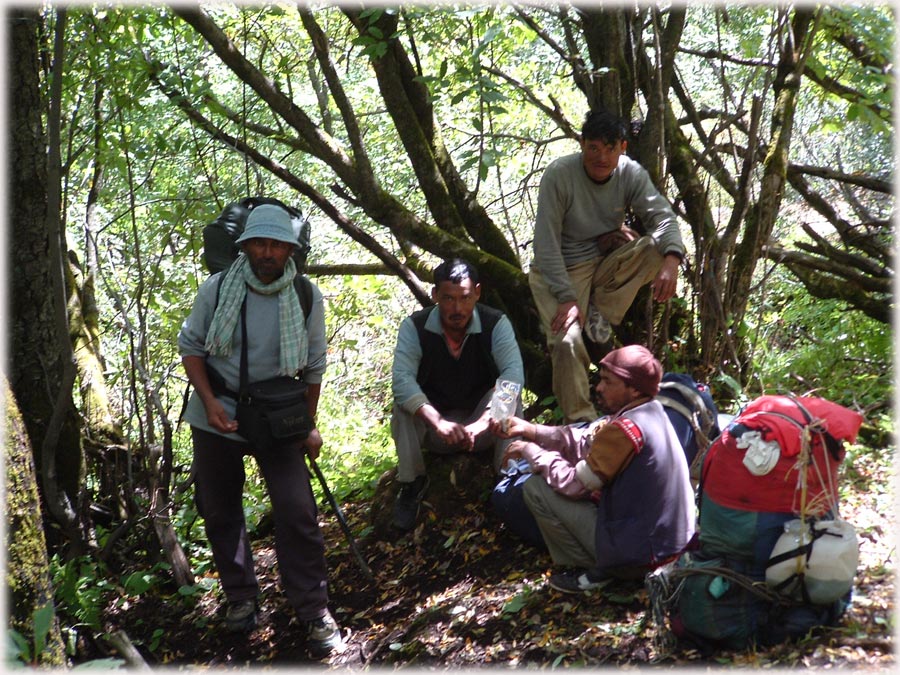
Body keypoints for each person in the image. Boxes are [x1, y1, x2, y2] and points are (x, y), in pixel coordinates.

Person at [178, 203, 343, 656]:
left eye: (277, 245)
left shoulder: (306, 295)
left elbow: (313, 368)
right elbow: (191, 346)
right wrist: (210, 404)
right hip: (219, 412)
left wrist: (308, 426)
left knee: (297, 510)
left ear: (291, 250)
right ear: (245, 246)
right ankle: (241, 598)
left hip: (278, 417)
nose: (268, 253)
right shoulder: (218, 289)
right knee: (220, 509)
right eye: (260, 243)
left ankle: (312, 609)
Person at [489, 345, 695, 593]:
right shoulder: (650, 412)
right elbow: (585, 442)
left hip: (643, 556)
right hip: (668, 548)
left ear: (634, 388)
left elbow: (575, 484)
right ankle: (610, 564)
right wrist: (531, 430)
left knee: (535, 487)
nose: (599, 387)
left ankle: (604, 568)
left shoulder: (626, 429)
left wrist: (530, 452)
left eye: (608, 382)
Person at [530, 109, 686, 422]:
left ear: (622, 148)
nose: (601, 157)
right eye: (594, 148)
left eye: (610, 149)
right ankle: (581, 422)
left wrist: (673, 259)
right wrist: (567, 298)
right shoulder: (560, 174)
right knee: (566, 342)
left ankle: (601, 311)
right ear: (582, 144)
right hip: (560, 268)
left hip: (603, 263)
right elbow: (545, 244)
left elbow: (663, 217)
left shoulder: (630, 173)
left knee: (656, 249)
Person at [390, 258, 525, 532]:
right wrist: (437, 421)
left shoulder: (494, 323)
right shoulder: (414, 327)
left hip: (483, 426)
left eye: (464, 298)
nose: (457, 308)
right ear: (435, 295)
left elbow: (513, 377)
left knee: (509, 396)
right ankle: (412, 482)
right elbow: (401, 381)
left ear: (476, 292)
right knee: (402, 405)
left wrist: (482, 423)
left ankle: (508, 477)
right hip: (437, 430)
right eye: (448, 299)